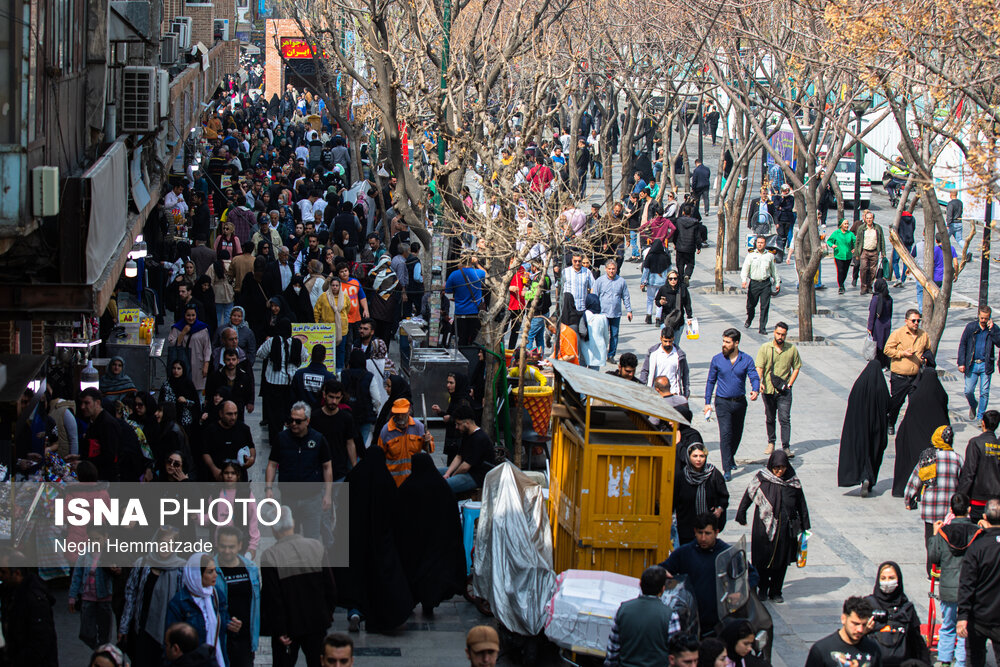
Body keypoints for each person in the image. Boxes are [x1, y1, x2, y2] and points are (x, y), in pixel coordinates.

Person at [259, 506, 336, 667]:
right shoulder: (316, 547)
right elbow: (330, 587)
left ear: (273, 529)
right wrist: (327, 615)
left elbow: (273, 598)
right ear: (293, 522)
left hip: (288, 628)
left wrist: (279, 629)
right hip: (316, 623)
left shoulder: (270, 556)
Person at [735, 449, 809, 603]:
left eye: (782, 468)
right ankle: (762, 588)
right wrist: (741, 513)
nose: (779, 471)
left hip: (785, 530)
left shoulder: (793, 482)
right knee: (762, 559)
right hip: (763, 528)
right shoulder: (762, 478)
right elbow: (749, 495)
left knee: (781, 561)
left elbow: (801, 504)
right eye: (776, 468)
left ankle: (776, 591)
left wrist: (804, 526)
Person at [398, 452, 467, 615]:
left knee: (413, 571)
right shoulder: (442, 487)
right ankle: (429, 603)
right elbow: (451, 515)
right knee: (433, 572)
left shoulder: (408, 487)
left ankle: (412, 600)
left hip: (414, 543)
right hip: (437, 541)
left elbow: (399, 514)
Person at [660, 513, 752, 635]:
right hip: (691, 618)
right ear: (694, 532)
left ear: (716, 532)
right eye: (700, 533)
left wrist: (741, 593)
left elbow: (751, 574)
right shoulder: (684, 552)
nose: (703, 538)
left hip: (719, 619)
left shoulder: (728, 553)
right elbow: (664, 568)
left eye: (707, 533)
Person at [265, 403, 333, 539]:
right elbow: (272, 464)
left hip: (312, 498)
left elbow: (327, 466)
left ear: (307, 421)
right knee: (289, 537)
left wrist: (327, 494)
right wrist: (268, 488)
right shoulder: (282, 438)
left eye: (298, 421)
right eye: (291, 420)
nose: (293, 424)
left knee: (312, 537)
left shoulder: (318, 439)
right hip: (289, 497)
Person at [903, 424, 963, 574]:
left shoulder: (928, 457)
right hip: (950, 509)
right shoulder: (957, 459)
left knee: (931, 538)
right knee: (948, 539)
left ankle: (932, 570)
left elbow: (915, 480)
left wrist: (908, 498)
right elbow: (964, 483)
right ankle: (946, 568)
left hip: (931, 508)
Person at [928, 493, 979, 667]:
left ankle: (944, 659)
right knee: (965, 628)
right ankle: (962, 661)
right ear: (969, 510)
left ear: (951, 510)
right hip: (970, 588)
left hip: (948, 587)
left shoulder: (943, 532)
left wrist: (934, 535)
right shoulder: (977, 532)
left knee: (948, 625)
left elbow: (934, 557)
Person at [704, 328, 761, 481]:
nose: (724, 344)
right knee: (726, 434)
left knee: (737, 434)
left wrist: (755, 389)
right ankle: (726, 468)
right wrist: (707, 402)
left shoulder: (746, 359)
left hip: (740, 403)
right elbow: (711, 381)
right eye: (723, 341)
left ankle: (730, 457)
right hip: (722, 402)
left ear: (736, 343)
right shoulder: (717, 360)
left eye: (727, 342)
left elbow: (754, 376)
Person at [893, 350, 949, 498]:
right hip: (934, 443)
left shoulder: (917, 396)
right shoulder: (940, 395)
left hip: (914, 437)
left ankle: (909, 487)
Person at [165, 553, 232, 667]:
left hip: (215, 661)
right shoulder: (179, 602)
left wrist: (232, 625)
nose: (215, 575)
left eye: (215, 570)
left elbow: (223, 625)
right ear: (196, 575)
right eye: (210, 572)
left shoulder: (216, 595)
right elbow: (171, 641)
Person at [603, 566, 678, 666]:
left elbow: (613, 649)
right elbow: (675, 651)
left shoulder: (623, 609)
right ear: (663, 589)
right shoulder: (671, 616)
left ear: (640, 584)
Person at [838, 359, 891, 497]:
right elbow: (888, 405)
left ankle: (862, 476)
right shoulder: (881, 387)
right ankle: (869, 478)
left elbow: (851, 405)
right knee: (874, 453)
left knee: (861, 453)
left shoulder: (859, 384)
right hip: (877, 429)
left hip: (859, 428)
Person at [957, 498, 1000, 666]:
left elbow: (967, 584)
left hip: (978, 618)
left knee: (975, 660)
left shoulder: (977, 547)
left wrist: (962, 616)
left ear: (984, 517)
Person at [863, 561, 930, 665]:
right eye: (883, 578)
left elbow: (916, 642)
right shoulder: (868, 605)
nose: (887, 582)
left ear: (898, 580)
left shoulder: (907, 608)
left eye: (891, 578)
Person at [213, 526, 260, 667]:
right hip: (220, 637)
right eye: (223, 546)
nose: (227, 551)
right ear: (217, 544)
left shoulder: (250, 568)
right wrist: (225, 620)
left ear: (240, 546)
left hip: (245, 638)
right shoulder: (210, 569)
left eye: (231, 547)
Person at [755, 322, 802, 458]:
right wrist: (760, 383)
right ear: (774, 333)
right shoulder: (765, 348)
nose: (780, 337)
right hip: (769, 389)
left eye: (783, 335)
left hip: (784, 391)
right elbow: (759, 367)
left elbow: (797, 367)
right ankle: (771, 442)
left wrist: (790, 384)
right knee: (770, 417)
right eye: (778, 334)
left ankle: (786, 447)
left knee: (785, 418)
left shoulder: (791, 349)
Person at [256, 319, 305, 445]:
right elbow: (304, 356)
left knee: (274, 413)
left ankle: (275, 439)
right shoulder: (297, 343)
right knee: (289, 411)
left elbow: (260, 354)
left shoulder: (272, 341)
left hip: (273, 382)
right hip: (290, 383)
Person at [884, 309, 931, 435]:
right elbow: (887, 350)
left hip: (915, 377)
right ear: (906, 321)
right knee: (896, 403)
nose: (916, 323)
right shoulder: (898, 334)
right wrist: (902, 353)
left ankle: (911, 426)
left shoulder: (923, 335)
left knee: (915, 403)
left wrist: (925, 358)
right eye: (913, 320)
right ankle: (890, 422)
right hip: (900, 377)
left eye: (918, 321)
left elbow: (928, 350)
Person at [68, 526, 115, 649]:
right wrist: (72, 596)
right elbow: (77, 575)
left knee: (105, 632)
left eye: (98, 539)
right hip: (88, 597)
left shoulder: (110, 553)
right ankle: (97, 649)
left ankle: (102, 653)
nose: (95, 542)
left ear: (105, 537)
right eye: (92, 539)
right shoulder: (85, 553)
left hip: (105, 598)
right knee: (86, 632)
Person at [674, 442, 729, 545]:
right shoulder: (681, 477)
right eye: (695, 456)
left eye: (701, 456)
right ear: (688, 457)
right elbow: (674, 500)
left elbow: (723, 496)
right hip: (686, 527)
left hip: (708, 527)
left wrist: (719, 509)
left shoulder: (713, 474)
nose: (698, 459)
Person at [804, 596, 883, 667]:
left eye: (864, 625)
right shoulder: (821, 650)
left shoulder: (873, 649)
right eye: (855, 624)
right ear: (843, 619)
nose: (860, 630)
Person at [377, 398, 434, 486]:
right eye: (397, 413)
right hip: (393, 482)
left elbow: (429, 450)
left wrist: (428, 441)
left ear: (408, 412)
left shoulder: (419, 427)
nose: (400, 416)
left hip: (414, 480)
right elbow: (379, 457)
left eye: (402, 413)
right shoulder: (386, 430)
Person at [309, 380, 358, 482]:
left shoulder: (346, 418)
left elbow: (350, 443)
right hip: (318, 470)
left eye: (337, 398)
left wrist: (355, 467)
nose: (334, 401)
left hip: (339, 470)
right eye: (331, 397)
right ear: (324, 395)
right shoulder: (314, 417)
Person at [440, 405, 495, 494]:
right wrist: (447, 473)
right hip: (467, 470)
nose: (456, 427)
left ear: (467, 423)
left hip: (477, 476)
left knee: (443, 486)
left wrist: (452, 476)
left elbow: (465, 467)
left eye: (458, 424)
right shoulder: (466, 434)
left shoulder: (480, 438)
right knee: (435, 473)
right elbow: (459, 456)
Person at [958, 306, 1000, 422]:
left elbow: (999, 343)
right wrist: (961, 362)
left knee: (984, 392)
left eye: (986, 318)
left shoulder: (993, 329)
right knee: (968, 390)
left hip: (985, 365)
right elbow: (963, 344)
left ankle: (980, 417)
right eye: (981, 318)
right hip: (972, 364)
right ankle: (973, 404)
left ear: (989, 318)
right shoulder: (971, 327)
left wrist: (993, 331)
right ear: (978, 316)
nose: (983, 320)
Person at [957, 410, 1000, 521]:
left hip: (978, 499)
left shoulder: (975, 443)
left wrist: (960, 496)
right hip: (996, 500)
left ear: (983, 423)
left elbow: (969, 472)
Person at [201, 400, 256, 480]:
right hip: (217, 476)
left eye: (235, 413)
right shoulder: (210, 430)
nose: (233, 417)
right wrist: (214, 470)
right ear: (221, 414)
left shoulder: (244, 429)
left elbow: (251, 446)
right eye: (229, 414)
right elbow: (205, 452)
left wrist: (251, 459)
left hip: (239, 477)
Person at [593, 259, 633, 362]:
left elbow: (625, 296)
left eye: (613, 269)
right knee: (602, 334)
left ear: (616, 269)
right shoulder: (600, 281)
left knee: (614, 335)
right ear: (606, 269)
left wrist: (629, 310)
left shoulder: (621, 281)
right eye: (609, 269)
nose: (611, 271)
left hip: (615, 313)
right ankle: (600, 353)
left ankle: (611, 355)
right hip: (603, 313)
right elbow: (594, 296)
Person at [78, 387, 121, 481]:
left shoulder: (107, 423)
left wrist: (83, 462)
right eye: (81, 403)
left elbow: (109, 456)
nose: (82, 407)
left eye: (87, 403)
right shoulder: (93, 421)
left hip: (105, 478)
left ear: (97, 403)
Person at [167, 305, 214, 392]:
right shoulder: (177, 328)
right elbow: (172, 344)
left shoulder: (203, 328)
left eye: (193, 315)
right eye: (188, 315)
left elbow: (207, 348)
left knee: (198, 392)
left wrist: (206, 365)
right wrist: (183, 333)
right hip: (183, 363)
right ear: (184, 315)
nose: (191, 318)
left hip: (198, 365)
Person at [741, 236, 780, 334]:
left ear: (765, 244)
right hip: (754, 283)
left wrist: (777, 282)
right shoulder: (751, 255)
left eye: (762, 242)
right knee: (750, 305)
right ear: (756, 243)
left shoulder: (770, 256)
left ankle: (762, 327)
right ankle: (750, 318)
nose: (760, 244)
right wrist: (744, 280)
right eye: (758, 242)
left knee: (764, 306)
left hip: (765, 284)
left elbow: (774, 270)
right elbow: (745, 268)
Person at [432, 372, 472, 464]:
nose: (448, 385)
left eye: (451, 383)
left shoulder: (464, 402)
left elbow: (465, 421)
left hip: (459, 442)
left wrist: (450, 419)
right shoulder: (455, 398)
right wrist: (440, 412)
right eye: (448, 382)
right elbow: (453, 414)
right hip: (452, 440)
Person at [640, 325, 691, 398]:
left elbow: (685, 374)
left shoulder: (679, 355)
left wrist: (686, 393)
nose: (668, 344)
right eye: (665, 341)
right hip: (655, 393)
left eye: (670, 341)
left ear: (673, 339)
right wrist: (642, 388)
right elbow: (645, 371)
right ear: (661, 338)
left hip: (673, 393)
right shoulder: (653, 353)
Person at [445, 256, 486, 345]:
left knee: (461, 339)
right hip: (475, 313)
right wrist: (477, 264)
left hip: (460, 313)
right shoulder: (479, 273)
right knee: (473, 340)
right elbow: (488, 276)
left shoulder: (454, 274)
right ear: (471, 262)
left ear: (460, 262)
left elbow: (448, 291)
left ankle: (461, 355)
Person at [853, 210, 886, 295]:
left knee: (872, 271)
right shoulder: (861, 228)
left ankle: (869, 286)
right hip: (864, 251)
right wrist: (857, 253)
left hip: (874, 252)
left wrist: (883, 252)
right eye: (867, 218)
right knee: (863, 269)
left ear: (873, 219)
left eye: (870, 218)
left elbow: (882, 240)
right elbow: (858, 241)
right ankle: (863, 287)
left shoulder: (878, 228)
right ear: (865, 219)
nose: (869, 220)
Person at [641, 240, 672, 325]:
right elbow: (669, 269)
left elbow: (646, 270)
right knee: (660, 300)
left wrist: (643, 281)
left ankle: (649, 316)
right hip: (662, 283)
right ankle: (658, 318)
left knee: (650, 299)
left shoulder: (650, 256)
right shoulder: (666, 257)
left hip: (651, 282)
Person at [655, 269, 694, 334]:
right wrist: (660, 302)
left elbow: (687, 303)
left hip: (679, 321)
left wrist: (689, 317)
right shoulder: (663, 289)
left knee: (675, 343)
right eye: (671, 279)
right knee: (668, 342)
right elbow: (657, 301)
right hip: (666, 320)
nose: (673, 281)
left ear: (678, 279)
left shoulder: (682, 288)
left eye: (675, 279)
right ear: (668, 280)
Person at [868, 278, 893, 369]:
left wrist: (869, 327)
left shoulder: (876, 298)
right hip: (887, 324)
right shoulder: (889, 298)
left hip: (878, 326)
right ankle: (886, 363)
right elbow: (890, 312)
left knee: (878, 346)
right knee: (885, 344)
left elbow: (872, 314)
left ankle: (880, 364)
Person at [826, 218, 856, 294]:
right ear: (841, 225)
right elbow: (829, 240)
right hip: (839, 255)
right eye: (845, 224)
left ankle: (842, 282)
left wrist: (854, 248)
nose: (847, 225)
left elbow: (855, 242)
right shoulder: (836, 233)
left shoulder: (850, 234)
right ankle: (841, 286)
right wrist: (832, 245)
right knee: (840, 271)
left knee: (845, 271)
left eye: (847, 224)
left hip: (848, 256)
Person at [581, 294, 610, 370]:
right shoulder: (603, 317)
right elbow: (606, 335)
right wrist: (605, 346)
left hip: (584, 349)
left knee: (581, 375)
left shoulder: (584, 315)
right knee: (594, 376)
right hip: (598, 350)